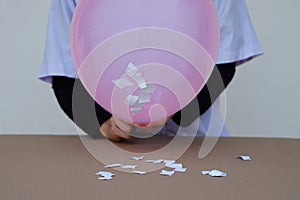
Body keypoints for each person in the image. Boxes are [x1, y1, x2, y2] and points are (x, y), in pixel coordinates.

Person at [39, 0, 263, 141]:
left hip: (196, 141)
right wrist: (104, 124)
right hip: (113, 150)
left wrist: (171, 110)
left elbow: (223, 61)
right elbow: (64, 73)